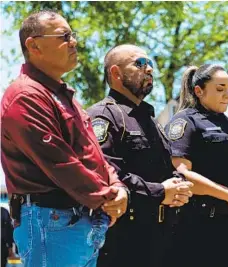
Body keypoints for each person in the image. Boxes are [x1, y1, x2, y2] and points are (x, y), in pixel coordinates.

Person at [0, 11, 128, 267]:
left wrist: (118, 187)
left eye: (73, 35)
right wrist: (107, 196)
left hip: (75, 222)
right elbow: (60, 163)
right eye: (64, 36)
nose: (74, 42)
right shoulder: (26, 96)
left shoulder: (63, 96)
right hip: (51, 222)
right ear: (33, 45)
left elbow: (94, 155)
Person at [86, 44, 193, 267]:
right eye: (140, 64)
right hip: (126, 239)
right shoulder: (104, 116)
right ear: (115, 73)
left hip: (165, 237)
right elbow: (106, 172)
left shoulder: (151, 120)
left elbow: (164, 169)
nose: (149, 69)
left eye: (151, 64)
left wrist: (180, 186)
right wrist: (160, 192)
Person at [164, 64, 228, 267]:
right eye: (220, 89)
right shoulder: (184, 123)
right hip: (196, 231)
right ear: (198, 91)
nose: (227, 95)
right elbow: (181, 173)